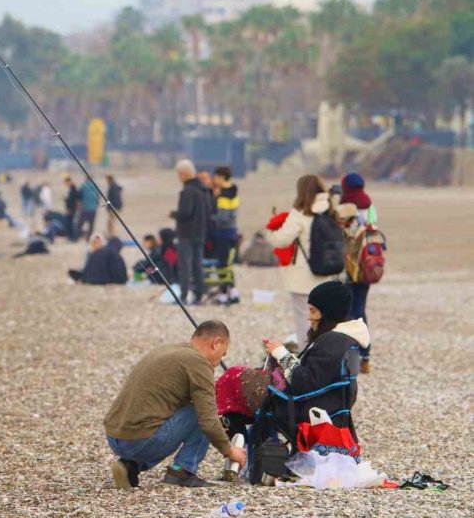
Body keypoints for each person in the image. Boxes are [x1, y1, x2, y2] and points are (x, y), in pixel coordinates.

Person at [105, 320, 246, 489]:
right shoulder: (199, 363)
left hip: (115, 436)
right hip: (138, 441)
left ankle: (130, 466)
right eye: (223, 354)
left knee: (182, 417)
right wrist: (230, 452)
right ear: (216, 343)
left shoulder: (171, 351)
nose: (219, 361)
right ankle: (182, 472)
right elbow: (207, 420)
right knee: (202, 414)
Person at [263, 281, 369, 438]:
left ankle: (246, 453)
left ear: (327, 313)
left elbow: (303, 382)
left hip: (308, 409)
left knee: (242, 388)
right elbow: (316, 374)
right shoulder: (344, 338)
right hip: (328, 406)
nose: (308, 317)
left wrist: (280, 352)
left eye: (313, 311)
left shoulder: (332, 342)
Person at [265, 174, 337, 349]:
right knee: (323, 319)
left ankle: (308, 357)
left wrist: (271, 233)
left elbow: (282, 240)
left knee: (304, 320)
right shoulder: (330, 210)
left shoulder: (300, 213)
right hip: (326, 273)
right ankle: (326, 353)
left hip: (302, 277)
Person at [339, 173, 378, 373]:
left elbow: (342, 234)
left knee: (348, 314)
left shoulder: (345, 207)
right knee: (360, 311)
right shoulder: (370, 206)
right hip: (367, 266)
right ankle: (366, 357)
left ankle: (352, 362)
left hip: (348, 267)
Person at [170, 160, 211, 305]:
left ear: (183, 174)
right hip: (200, 233)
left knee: (185, 265)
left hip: (186, 234)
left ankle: (183, 295)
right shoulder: (203, 189)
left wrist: (175, 215)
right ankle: (199, 295)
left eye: (179, 175)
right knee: (197, 265)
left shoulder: (187, 190)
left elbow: (185, 213)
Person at [210, 166, 240, 304]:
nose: (214, 180)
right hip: (232, 232)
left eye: (215, 177)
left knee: (222, 264)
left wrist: (209, 217)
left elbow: (223, 218)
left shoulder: (225, 194)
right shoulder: (233, 190)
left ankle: (223, 294)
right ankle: (232, 292)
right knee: (228, 264)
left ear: (221, 177)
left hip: (224, 233)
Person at [63, 176, 79, 242]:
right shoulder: (70, 189)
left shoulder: (73, 188)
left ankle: (73, 237)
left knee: (71, 224)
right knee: (69, 223)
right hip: (70, 209)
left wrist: (70, 209)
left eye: (66, 183)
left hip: (72, 210)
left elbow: (73, 200)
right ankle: (70, 237)